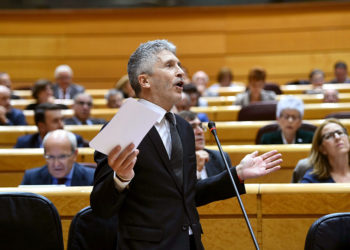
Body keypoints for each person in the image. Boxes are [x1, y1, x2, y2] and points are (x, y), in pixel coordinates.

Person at [90, 39, 282, 250]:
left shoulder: (183, 127)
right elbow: (101, 208)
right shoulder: (122, 128)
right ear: (144, 81)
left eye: (179, 65)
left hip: (190, 243)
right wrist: (121, 179)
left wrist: (237, 174)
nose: (180, 71)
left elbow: (188, 194)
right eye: (170, 65)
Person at [21, 129, 95, 186]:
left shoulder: (92, 179)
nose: (56, 164)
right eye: (50, 157)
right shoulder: (31, 178)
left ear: (74, 155)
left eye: (62, 157)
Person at [178, 110, 229, 180]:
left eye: (200, 126)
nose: (200, 131)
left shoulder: (220, 158)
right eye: (192, 127)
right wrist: (196, 171)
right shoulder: (174, 163)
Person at [14, 103, 85, 148]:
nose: (61, 125)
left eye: (62, 120)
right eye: (55, 121)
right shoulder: (24, 143)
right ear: (41, 126)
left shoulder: (75, 140)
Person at [301, 119, 350, 183]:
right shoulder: (312, 180)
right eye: (329, 136)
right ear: (322, 149)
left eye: (340, 133)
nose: (337, 137)